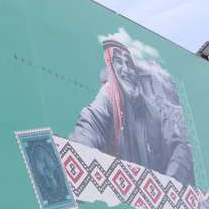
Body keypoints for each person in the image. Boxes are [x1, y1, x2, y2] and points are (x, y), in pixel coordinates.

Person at [71, 39, 194, 185]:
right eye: (118, 62)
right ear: (110, 69)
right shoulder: (107, 98)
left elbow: (181, 147)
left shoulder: (154, 110)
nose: (126, 70)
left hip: (155, 201)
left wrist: (168, 185)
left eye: (128, 64)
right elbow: (90, 126)